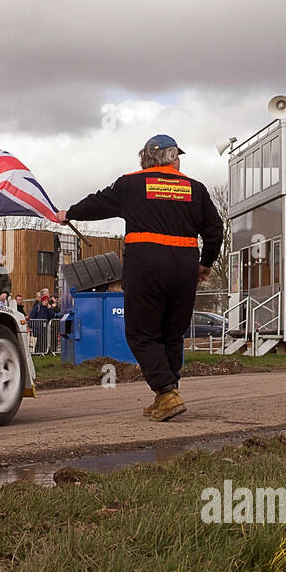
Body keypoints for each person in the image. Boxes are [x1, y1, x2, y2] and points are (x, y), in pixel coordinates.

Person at [56, 134, 223, 421]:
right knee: (172, 334)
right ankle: (165, 395)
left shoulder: (130, 184)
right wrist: (205, 263)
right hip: (184, 267)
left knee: (141, 333)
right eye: (177, 155)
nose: (180, 160)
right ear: (171, 158)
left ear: (146, 158)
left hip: (147, 265)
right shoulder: (195, 188)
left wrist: (68, 213)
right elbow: (215, 229)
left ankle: (167, 392)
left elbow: (96, 203)